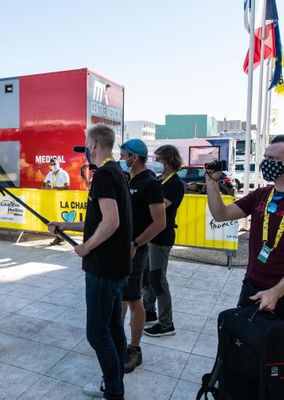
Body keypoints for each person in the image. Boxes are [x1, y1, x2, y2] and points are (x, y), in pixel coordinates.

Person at [205, 135, 284, 362]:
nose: (265, 163)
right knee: (244, 352)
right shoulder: (261, 195)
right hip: (252, 287)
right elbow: (221, 214)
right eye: (265, 157)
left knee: (282, 361)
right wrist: (212, 182)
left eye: (272, 158)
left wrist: (276, 292)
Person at [48, 124, 132, 400]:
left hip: (103, 268)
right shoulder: (116, 172)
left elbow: (111, 222)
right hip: (117, 267)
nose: (86, 147)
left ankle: (113, 391)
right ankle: (115, 382)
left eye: (86, 142)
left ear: (94, 143)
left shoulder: (104, 176)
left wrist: (86, 247)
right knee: (114, 329)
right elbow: (98, 221)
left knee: (97, 334)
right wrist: (64, 225)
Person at [118, 139, 166, 373]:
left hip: (136, 250)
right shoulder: (128, 179)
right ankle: (119, 341)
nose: (121, 158)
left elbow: (160, 223)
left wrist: (136, 244)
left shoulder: (150, 183)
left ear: (134, 158)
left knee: (134, 298)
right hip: (121, 249)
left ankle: (134, 349)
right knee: (122, 297)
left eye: (123, 154)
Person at [142, 145, 185, 337]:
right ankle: (149, 312)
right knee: (147, 277)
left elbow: (158, 208)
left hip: (161, 237)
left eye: (157, 159)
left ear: (167, 160)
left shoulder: (175, 184)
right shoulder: (160, 180)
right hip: (151, 236)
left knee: (158, 280)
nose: (154, 162)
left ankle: (167, 324)